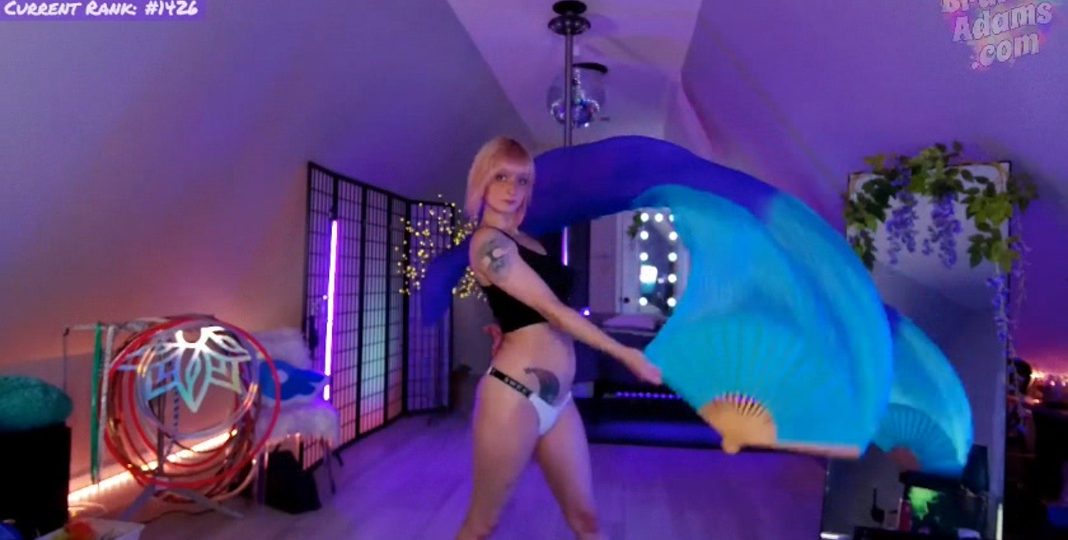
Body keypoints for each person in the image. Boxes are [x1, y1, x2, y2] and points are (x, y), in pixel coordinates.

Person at [458, 137, 663, 540]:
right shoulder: (487, 242)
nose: (512, 189)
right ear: (482, 180)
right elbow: (551, 309)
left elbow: (524, 306)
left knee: (586, 519)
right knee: (482, 525)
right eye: (501, 177)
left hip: (559, 399)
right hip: (513, 396)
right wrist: (624, 353)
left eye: (521, 180)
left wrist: (504, 325)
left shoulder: (529, 242)